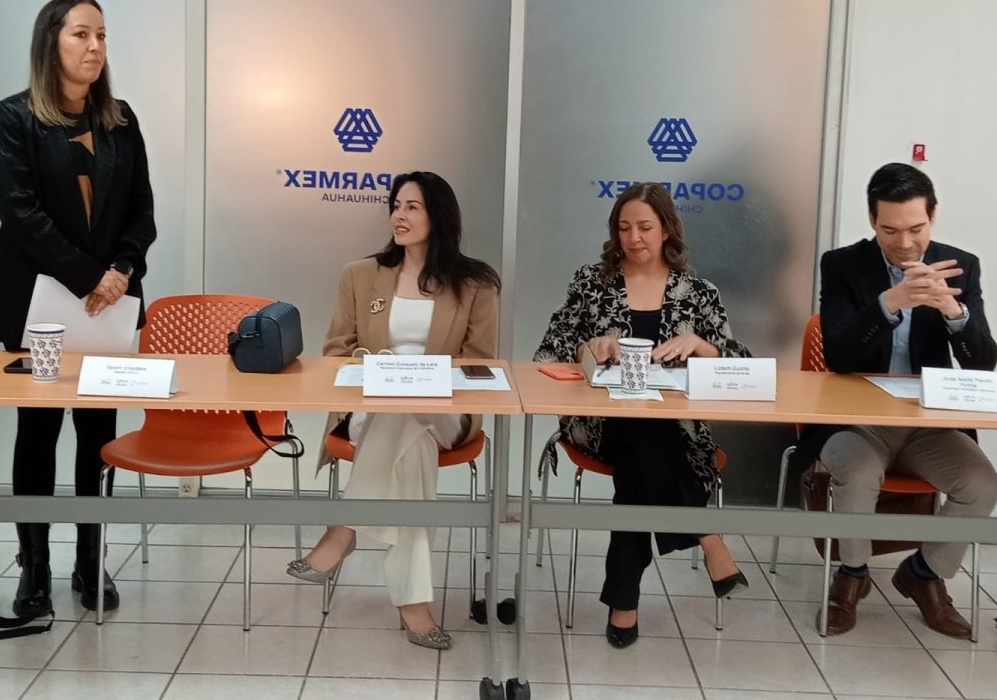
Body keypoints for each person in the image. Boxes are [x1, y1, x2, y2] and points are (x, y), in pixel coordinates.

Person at [0, 0, 156, 618]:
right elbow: (20, 214)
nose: (95, 47)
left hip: (105, 309)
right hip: (42, 307)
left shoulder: (121, 119)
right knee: (37, 434)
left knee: (96, 436)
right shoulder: (14, 118)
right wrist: (92, 278)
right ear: (50, 42)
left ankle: (91, 560)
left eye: (102, 35)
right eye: (82, 34)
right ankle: (34, 568)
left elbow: (142, 209)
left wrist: (121, 271)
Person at [287, 171, 499, 650]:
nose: (399, 216)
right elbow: (337, 351)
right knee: (409, 440)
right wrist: (382, 374)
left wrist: (424, 382)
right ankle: (414, 605)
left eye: (412, 207)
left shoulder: (475, 284)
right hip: (373, 409)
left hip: (448, 412)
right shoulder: (360, 275)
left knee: (410, 416)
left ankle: (345, 528)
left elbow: (480, 364)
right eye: (396, 206)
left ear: (438, 216)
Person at [533, 182, 750, 649]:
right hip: (599, 424)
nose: (634, 238)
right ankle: (706, 534)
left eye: (645, 227)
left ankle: (623, 602)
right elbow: (548, 351)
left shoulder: (698, 293)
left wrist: (702, 345)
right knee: (640, 432)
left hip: (676, 429)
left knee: (640, 458)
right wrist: (588, 347)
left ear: (667, 229)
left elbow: (741, 364)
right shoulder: (592, 282)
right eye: (625, 227)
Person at [802, 162, 997, 637]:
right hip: (857, 420)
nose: (906, 243)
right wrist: (890, 303)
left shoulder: (960, 265)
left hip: (927, 422)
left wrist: (952, 310)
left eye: (916, 228)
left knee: (981, 484)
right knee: (858, 474)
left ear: (933, 216)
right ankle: (852, 575)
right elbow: (841, 356)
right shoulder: (842, 265)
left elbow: (981, 364)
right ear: (873, 221)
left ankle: (923, 573)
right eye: (890, 230)